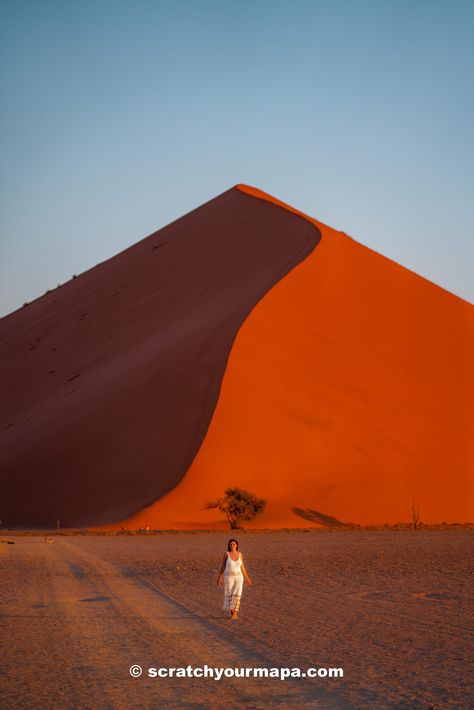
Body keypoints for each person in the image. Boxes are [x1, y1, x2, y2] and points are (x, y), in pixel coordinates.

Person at [216, 538, 252, 620]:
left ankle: (235, 613)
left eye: (234, 544)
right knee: (230, 595)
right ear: (229, 545)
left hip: (239, 578)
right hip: (229, 578)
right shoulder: (226, 554)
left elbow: (242, 567)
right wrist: (219, 578)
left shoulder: (240, 554)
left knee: (237, 595)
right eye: (231, 544)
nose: (232, 545)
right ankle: (233, 613)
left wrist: (247, 578)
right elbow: (223, 566)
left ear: (237, 545)